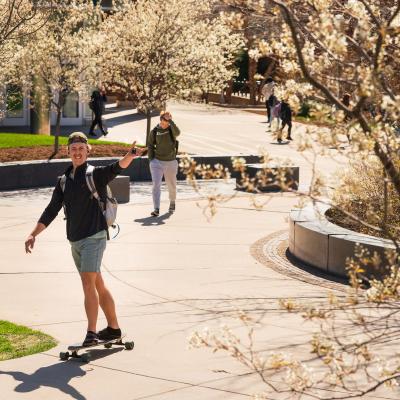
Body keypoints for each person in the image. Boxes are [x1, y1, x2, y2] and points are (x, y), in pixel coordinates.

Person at [24, 132, 144, 346]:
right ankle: (114, 328)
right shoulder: (63, 181)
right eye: (73, 149)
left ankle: (91, 332)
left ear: (88, 151)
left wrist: (130, 156)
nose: (77, 152)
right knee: (97, 283)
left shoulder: (94, 175)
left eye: (81, 148)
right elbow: (51, 209)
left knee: (87, 282)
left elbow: (115, 168)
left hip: (95, 237)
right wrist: (33, 233)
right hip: (75, 240)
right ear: (68, 152)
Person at [147, 111, 180, 217]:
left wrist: (170, 120)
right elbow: (150, 145)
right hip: (157, 162)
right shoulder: (155, 131)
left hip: (171, 162)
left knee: (172, 185)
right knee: (156, 185)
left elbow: (178, 133)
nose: (167, 121)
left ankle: (172, 202)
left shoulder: (171, 130)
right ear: (161, 119)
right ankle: (156, 208)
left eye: (169, 119)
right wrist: (151, 159)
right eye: (166, 119)